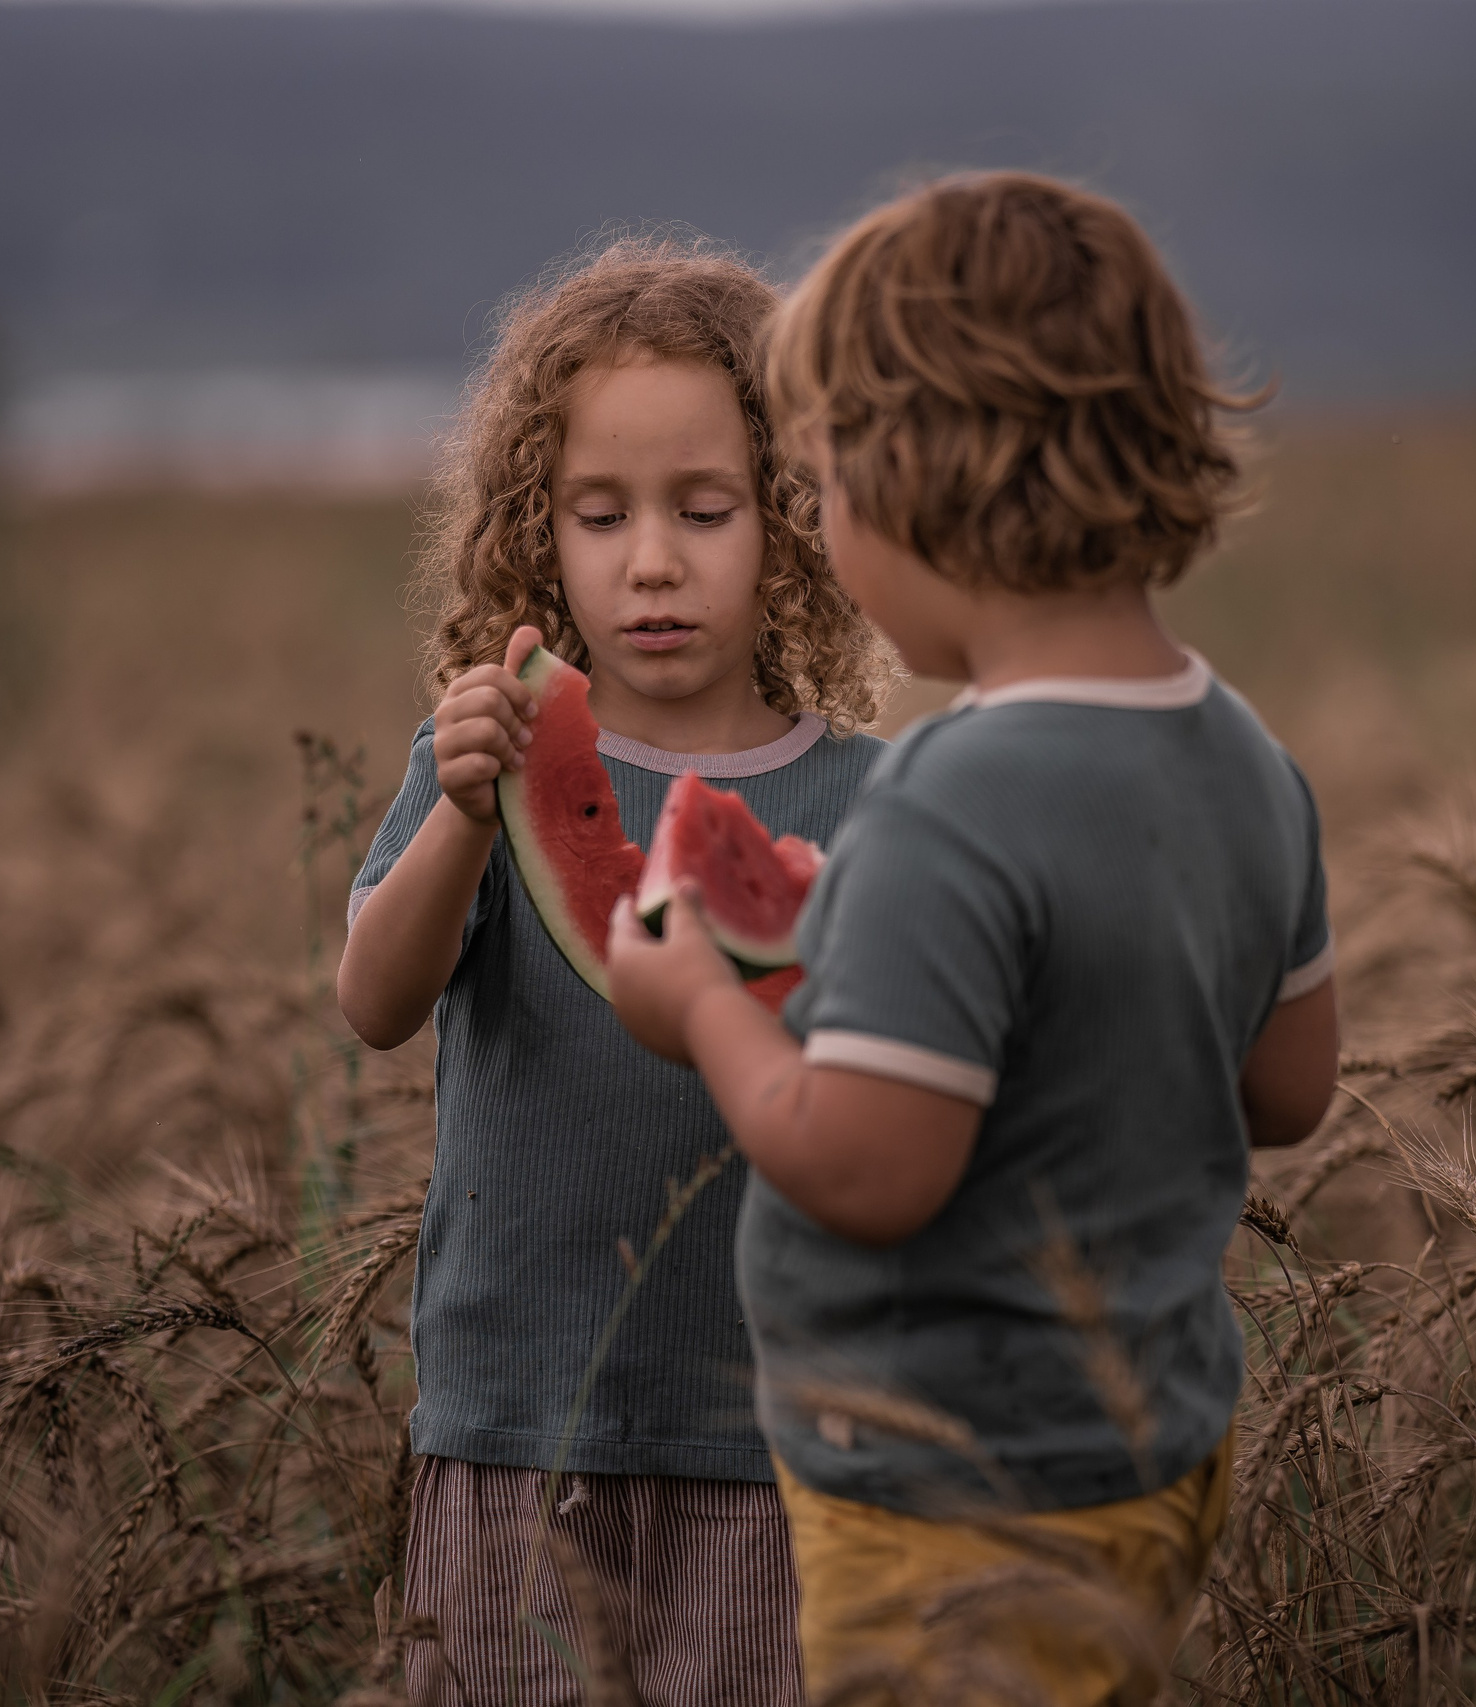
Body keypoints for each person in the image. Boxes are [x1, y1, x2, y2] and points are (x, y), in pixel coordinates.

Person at [607, 174, 1341, 1705]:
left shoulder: (952, 794)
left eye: (818, 484)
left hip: (948, 1492)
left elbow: (871, 1170)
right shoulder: (1247, 757)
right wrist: (879, 958)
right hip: (1148, 1459)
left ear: (911, 481)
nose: (817, 523)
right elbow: (1287, 1090)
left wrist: (702, 1004)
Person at [336, 237, 894, 1707]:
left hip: (780, 1448)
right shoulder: (485, 762)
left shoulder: (876, 800)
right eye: (599, 514)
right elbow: (373, 1002)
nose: (652, 558)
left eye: (704, 509)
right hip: (518, 1432)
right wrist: (466, 818)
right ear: (538, 531)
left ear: (788, 518)